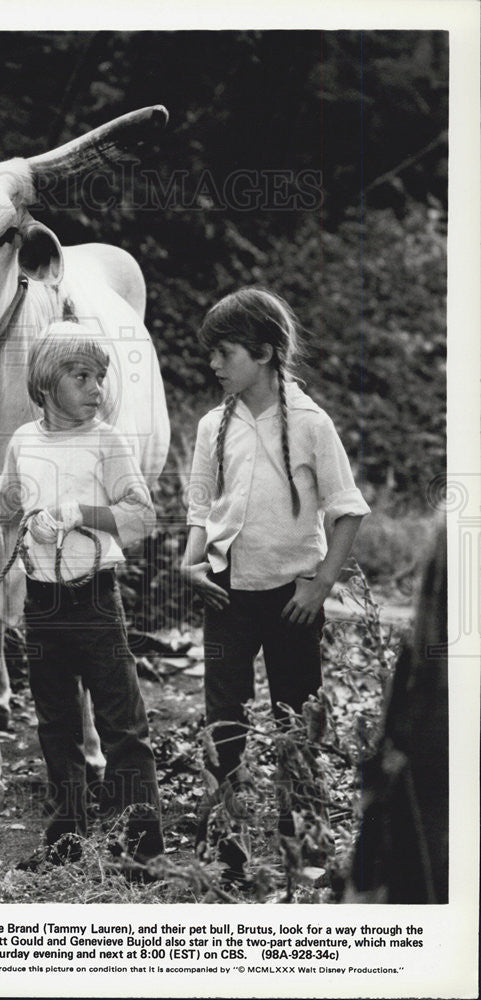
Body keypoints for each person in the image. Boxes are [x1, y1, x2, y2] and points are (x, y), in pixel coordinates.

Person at [0, 321, 164, 876]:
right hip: (43, 606)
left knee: (122, 724)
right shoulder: (25, 441)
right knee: (54, 723)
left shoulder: (107, 440)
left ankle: (142, 847)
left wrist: (79, 515)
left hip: (96, 600)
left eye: (101, 377)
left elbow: (142, 517)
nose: (97, 389)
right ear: (47, 382)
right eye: (83, 376)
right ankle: (67, 839)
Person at [180, 287, 370, 881]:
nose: (213, 365)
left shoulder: (312, 423)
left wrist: (318, 587)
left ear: (263, 352)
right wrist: (191, 564)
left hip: (293, 597)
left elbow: (348, 511)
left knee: (296, 711)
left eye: (225, 352)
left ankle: (302, 835)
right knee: (223, 716)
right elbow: (199, 508)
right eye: (211, 354)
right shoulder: (214, 425)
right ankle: (226, 837)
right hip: (226, 592)